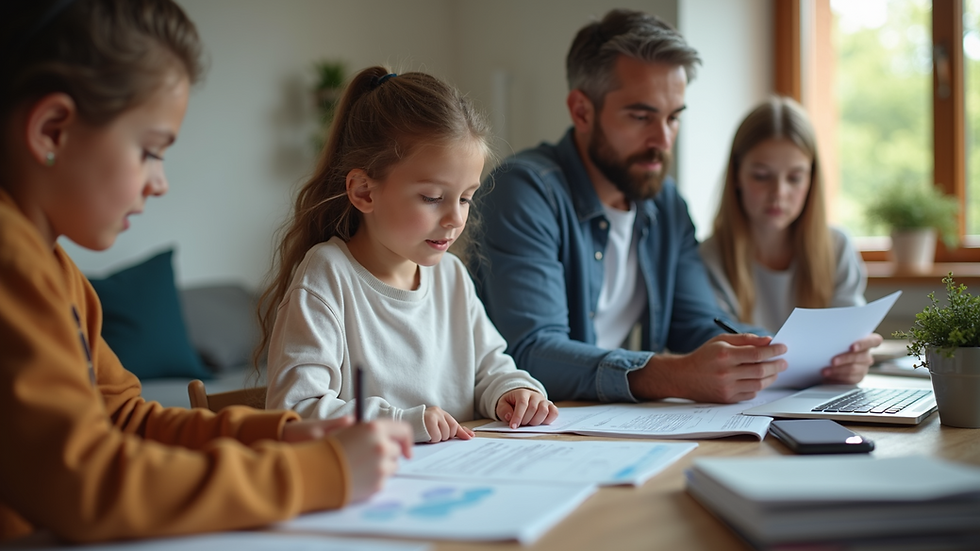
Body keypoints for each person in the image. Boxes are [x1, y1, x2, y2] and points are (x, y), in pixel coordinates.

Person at [0, 1, 413, 544]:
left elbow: (124, 418)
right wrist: (321, 473)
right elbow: (88, 481)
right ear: (52, 130)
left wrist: (286, 434)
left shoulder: (54, 268)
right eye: (150, 151)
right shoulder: (13, 263)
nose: (159, 182)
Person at [470, 9, 880, 405]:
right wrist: (677, 375)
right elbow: (532, 352)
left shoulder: (666, 205)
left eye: (672, 118)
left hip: (605, 424)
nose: (663, 141)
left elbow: (699, 325)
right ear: (582, 110)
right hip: (527, 428)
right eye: (641, 116)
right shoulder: (524, 191)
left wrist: (814, 358)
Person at [259, 66, 558, 445]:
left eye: (466, 198)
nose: (455, 218)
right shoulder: (327, 277)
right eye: (432, 198)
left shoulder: (450, 275)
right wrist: (401, 421)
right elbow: (296, 411)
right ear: (364, 192)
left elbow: (489, 367)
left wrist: (512, 391)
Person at [700, 97, 880, 384]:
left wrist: (854, 362)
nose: (778, 193)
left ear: (812, 180)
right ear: (736, 175)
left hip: (821, 402)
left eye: (795, 178)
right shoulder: (708, 257)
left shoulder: (836, 248)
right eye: (761, 176)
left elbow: (851, 342)